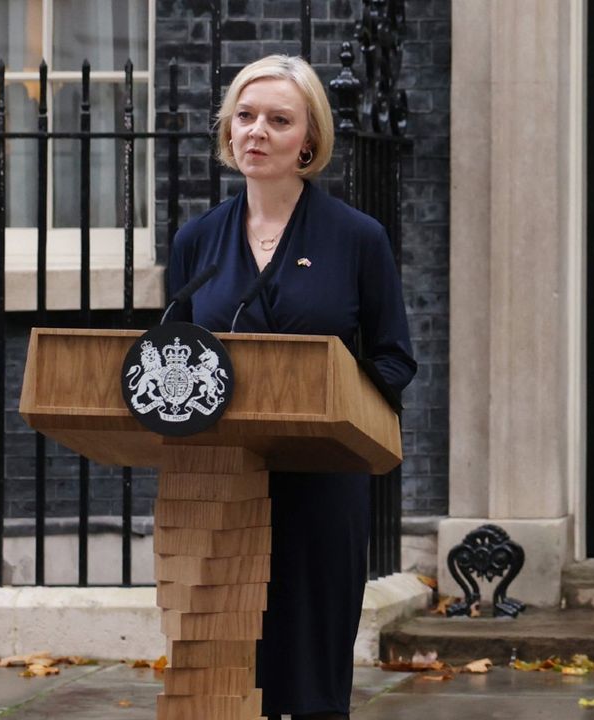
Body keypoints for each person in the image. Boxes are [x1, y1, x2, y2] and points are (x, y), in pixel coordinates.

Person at [166, 55, 417, 720]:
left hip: (321, 480)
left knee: (309, 677)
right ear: (227, 131)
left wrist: (329, 402)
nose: (257, 131)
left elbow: (393, 361)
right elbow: (177, 355)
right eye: (244, 117)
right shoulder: (198, 243)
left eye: (278, 120)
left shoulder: (358, 239)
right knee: (226, 672)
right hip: (223, 480)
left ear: (308, 141)